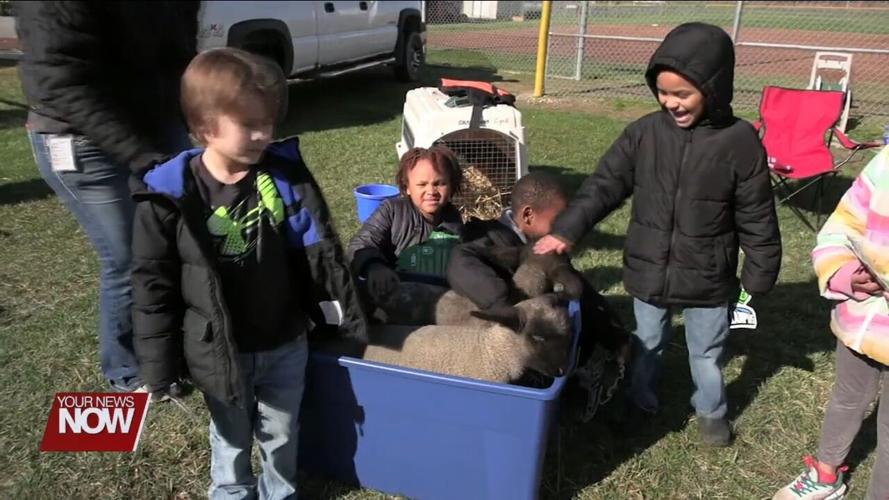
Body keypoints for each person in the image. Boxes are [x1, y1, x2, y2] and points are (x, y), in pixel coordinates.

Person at [130, 48, 367, 498]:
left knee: (281, 432)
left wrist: (336, 318)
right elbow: (152, 288)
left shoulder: (282, 179)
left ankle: (280, 491)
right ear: (205, 129)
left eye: (269, 122)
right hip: (221, 351)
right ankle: (232, 491)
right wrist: (159, 366)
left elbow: (319, 255)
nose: (264, 134)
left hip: (285, 341)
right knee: (232, 436)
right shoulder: (169, 197)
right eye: (249, 125)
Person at [534, 22, 782, 446]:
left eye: (682, 94)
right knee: (647, 342)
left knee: (706, 353)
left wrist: (758, 275)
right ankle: (639, 401)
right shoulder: (644, 134)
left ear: (714, 88)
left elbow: (757, 215)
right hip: (649, 268)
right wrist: (567, 229)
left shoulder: (740, 142)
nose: (671, 102)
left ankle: (711, 412)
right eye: (663, 92)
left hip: (707, 277)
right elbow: (604, 185)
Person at [15, 1, 199, 391]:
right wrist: (143, 158)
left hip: (153, 117)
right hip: (77, 135)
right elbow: (58, 79)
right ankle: (129, 371)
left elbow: (179, 49)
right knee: (131, 255)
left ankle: (178, 347)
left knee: (181, 239)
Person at [448, 172, 629, 420]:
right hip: (490, 334)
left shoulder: (544, 247)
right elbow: (461, 260)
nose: (566, 231)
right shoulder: (485, 236)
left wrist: (612, 332)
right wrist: (501, 303)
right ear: (528, 215)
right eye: (558, 222)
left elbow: (580, 292)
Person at [772, 147, 889, 500]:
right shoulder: (885, 162)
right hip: (861, 318)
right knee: (847, 397)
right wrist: (843, 272)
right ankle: (826, 474)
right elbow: (844, 222)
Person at [347, 146, 463, 308]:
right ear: (407, 187)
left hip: (430, 299)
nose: (431, 191)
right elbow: (361, 243)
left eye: (439, 183)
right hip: (388, 294)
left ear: (451, 185)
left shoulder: (452, 218)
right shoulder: (392, 210)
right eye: (421, 184)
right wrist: (374, 266)